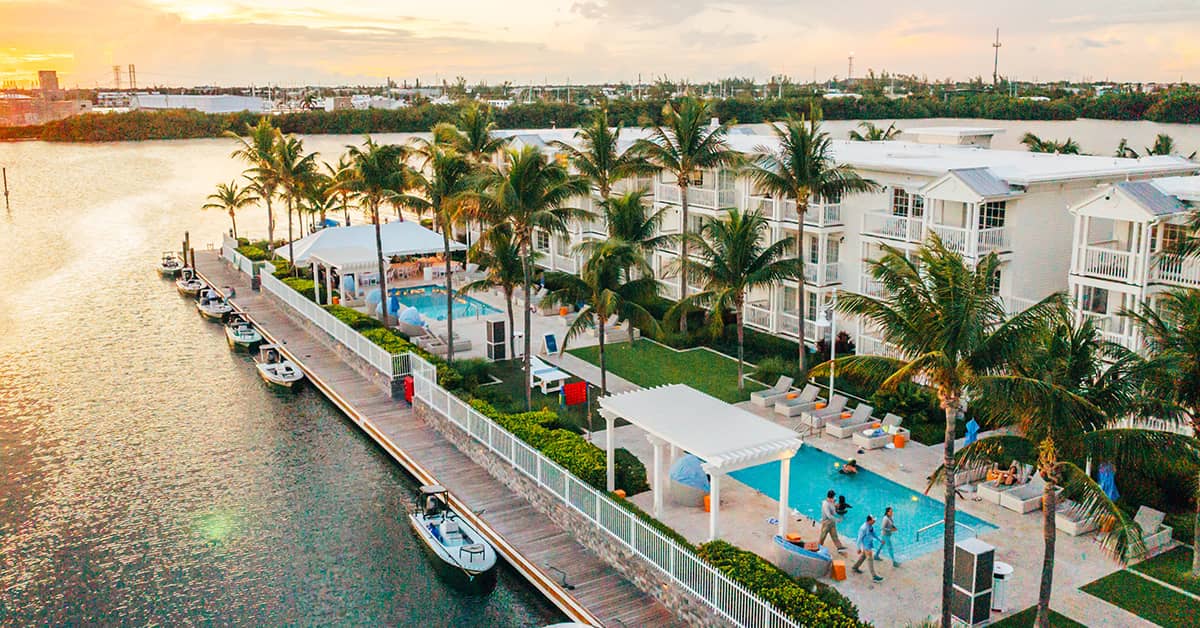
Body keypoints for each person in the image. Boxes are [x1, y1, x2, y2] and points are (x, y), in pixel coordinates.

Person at [853, 515, 884, 582]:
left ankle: (855, 567)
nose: (874, 521)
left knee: (863, 557)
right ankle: (874, 576)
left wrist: (880, 540)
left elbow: (874, 534)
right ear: (869, 520)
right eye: (873, 520)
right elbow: (859, 539)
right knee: (870, 559)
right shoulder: (863, 528)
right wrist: (858, 548)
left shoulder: (870, 526)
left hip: (869, 544)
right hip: (866, 546)